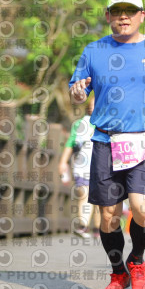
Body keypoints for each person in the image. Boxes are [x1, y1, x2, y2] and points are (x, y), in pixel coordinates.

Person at [68, 0, 145, 289]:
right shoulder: (93, 51)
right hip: (106, 141)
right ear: (108, 16)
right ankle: (119, 273)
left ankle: (137, 261)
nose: (123, 16)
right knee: (107, 216)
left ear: (141, 16)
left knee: (143, 211)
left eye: (130, 11)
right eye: (117, 11)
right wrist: (77, 93)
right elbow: (76, 89)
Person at [58, 97, 100, 239]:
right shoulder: (79, 124)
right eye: (92, 104)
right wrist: (63, 162)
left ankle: (98, 228)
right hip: (82, 165)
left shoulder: (107, 123)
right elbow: (70, 143)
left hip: (101, 165)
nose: (93, 107)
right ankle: (83, 226)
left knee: (100, 198)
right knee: (83, 193)